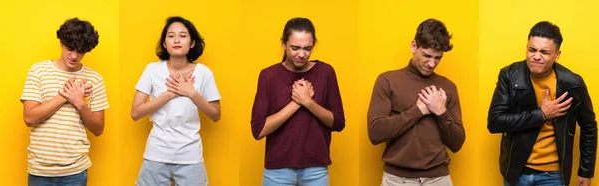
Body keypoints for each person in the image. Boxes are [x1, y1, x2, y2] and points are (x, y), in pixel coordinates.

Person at [487, 21, 597, 186]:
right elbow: (494, 122)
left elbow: (589, 126)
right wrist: (541, 114)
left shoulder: (573, 83)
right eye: (532, 50)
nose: (536, 56)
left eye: (544, 52)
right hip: (517, 172)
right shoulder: (509, 76)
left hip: (553, 176)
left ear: (557, 55)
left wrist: (585, 171)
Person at [367, 18, 465, 186]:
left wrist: (441, 112)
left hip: (439, 179)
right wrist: (418, 110)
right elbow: (375, 133)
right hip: (398, 180)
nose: (431, 63)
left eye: (438, 58)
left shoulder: (447, 87)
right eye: (426, 55)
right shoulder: (387, 81)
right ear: (414, 46)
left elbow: (457, 143)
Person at [250, 17, 345, 186]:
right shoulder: (268, 76)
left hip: (316, 169)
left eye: (307, 48)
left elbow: (338, 123)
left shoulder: (326, 72)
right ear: (283, 44)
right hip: (277, 171)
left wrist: (309, 102)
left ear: (314, 45)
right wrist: (297, 102)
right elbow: (258, 130)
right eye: (295, 48)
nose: (301, 54)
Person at [131, 16, 221, 186]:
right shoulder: (152, 70)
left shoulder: (204, 73)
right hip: (156, 154)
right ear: (165, 43)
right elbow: (135, 112)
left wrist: (192, 93)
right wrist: (169, 94)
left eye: (183, 35)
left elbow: (216, 115)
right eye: (171, 36)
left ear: (192, 42)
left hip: (190, 156)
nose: (177, 40)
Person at [21, 17, 108, 186]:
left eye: (81, 51)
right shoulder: (38, 71)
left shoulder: (94, 79)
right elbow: (29, 118)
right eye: (70, 49)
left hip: (76, 172)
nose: (75, 56)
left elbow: (98, 129)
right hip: (40, 171)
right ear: (61, 43)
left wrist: (80, 103)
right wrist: (65, 96)